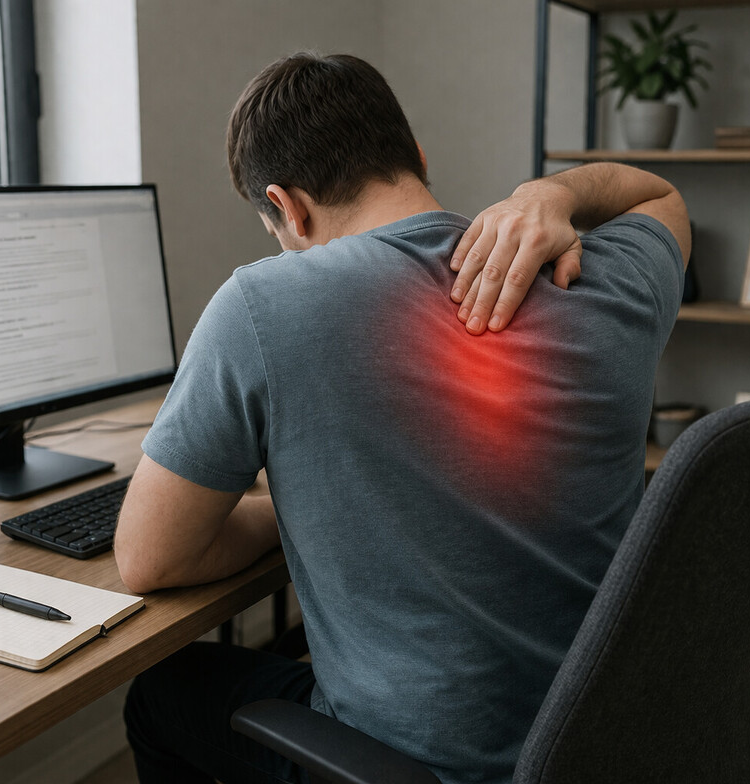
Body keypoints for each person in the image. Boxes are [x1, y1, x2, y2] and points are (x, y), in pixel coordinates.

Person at [116, 51, 690, 784]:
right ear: (416, 156)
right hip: (599, 743)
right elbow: (662, 197)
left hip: (429, 767)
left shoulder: (261, 306)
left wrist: (286, 507)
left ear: (287, 207)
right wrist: (553, 192)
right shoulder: (602, 277)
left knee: (161, 694)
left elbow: (151, 559)